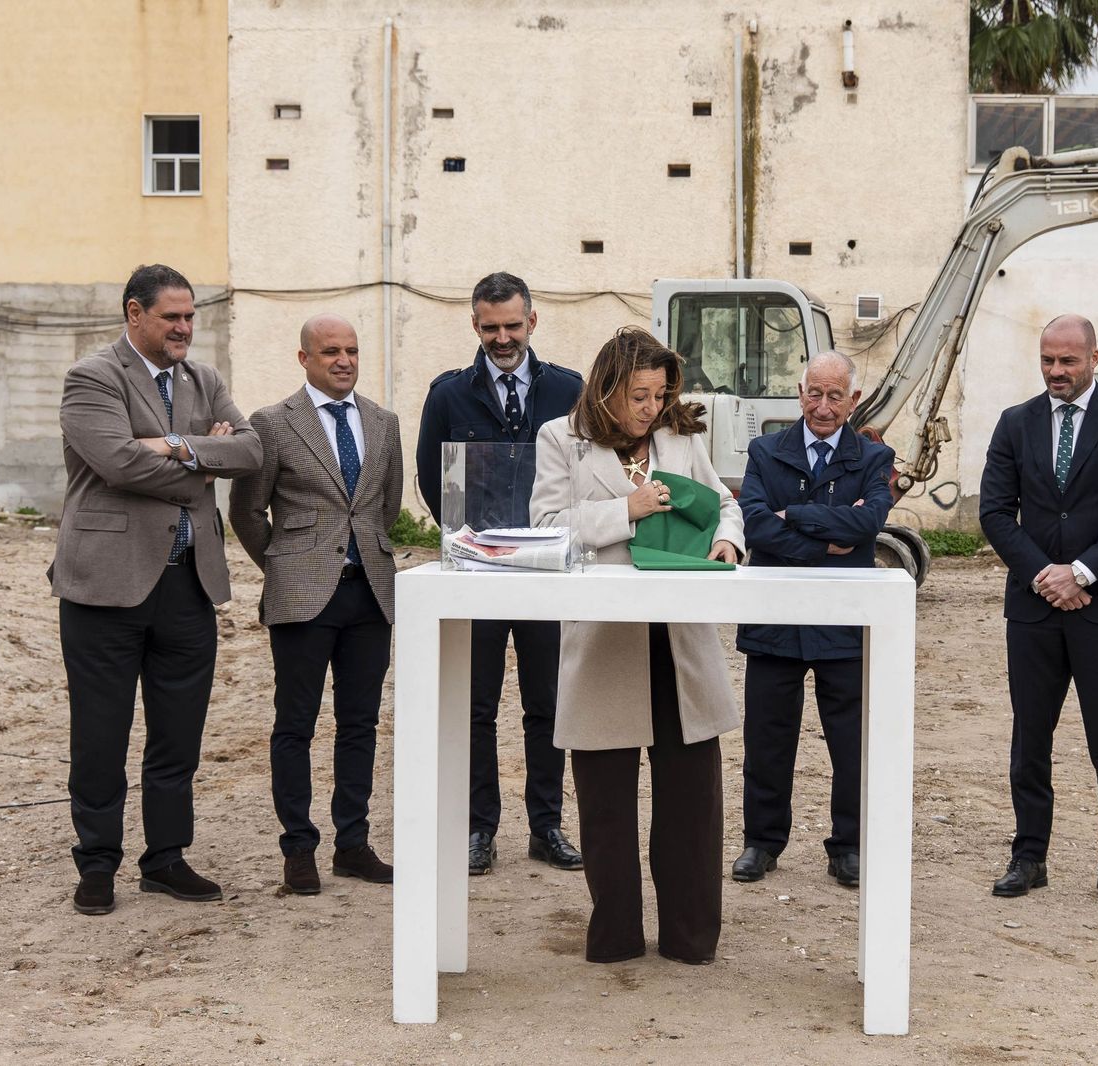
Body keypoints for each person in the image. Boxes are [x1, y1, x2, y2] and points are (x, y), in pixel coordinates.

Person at [52, 263, 263, 915]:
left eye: (190, 315)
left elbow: (251, 452)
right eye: (171, 316)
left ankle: (165, 859)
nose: (184, 328)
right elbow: (114, 461)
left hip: (186, 586)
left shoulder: (205, 379)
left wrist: (170, 446)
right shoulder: (92, 377)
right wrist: (202, 459)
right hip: (105, 586)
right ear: (133, 313)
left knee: (178, 736)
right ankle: (97, 864)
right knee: (100, 736)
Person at [529, 326, 744, 964]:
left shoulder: (681, 436)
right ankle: (615, 937)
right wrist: (630, 507)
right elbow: (544, 528)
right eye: (637, 395)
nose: (650, 408)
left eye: (658, 394)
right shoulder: (558, 440)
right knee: (605, 809)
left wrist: (729, 539)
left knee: (692, 805)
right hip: (602, 642)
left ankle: (690, 939)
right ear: (605, 390)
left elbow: (725, 504)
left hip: (680, 642)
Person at [978, 313, 1098, 908]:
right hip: (1033, 610)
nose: (1056, 372)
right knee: (1030, 739)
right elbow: (996, 512)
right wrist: (1043, 575)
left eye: (1068, 361)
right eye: (1048, 361)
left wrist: (1080, 572)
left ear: (1094, 358)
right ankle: (1029, 857)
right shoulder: (1016, 423)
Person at [415, 271, 585, 876]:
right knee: (476, 705)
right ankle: (478, 827)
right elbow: (432, 479)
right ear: (475, 326)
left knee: (548, 704)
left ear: (532, 321)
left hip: (545, 575)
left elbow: (585, 472)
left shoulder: (569, 390)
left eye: (513, 325)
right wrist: (471, 543)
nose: (503, 337)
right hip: (478, 575)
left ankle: (547, 826)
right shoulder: (449, 395)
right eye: (491, 327)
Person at [229, 313, 405, 894]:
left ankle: (352, 845)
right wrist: (283, 565)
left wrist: (369, 557)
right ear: (304, 357)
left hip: (370, 594)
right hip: (302, 596)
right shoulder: (273, 423)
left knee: (360, 725)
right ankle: (298, 851)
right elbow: (247, 511)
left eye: (352, 350)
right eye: (331, 351)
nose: (344, 360)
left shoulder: (383, 422)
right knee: (295, 726)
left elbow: (384, 507)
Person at [731, 350, 894, 889]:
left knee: (850, 743)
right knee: (767, 738)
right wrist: (829, 540)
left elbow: (869, 521)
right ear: (800, 395)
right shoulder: (764, 451)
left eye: (835, 396)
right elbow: (755, 527)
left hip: (843, 620)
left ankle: (847, 846)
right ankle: (762, 841)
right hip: (775, 618)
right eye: (814, 394)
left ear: (853, 400)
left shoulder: (873, 459)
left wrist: (796, 517)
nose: (823, 407)